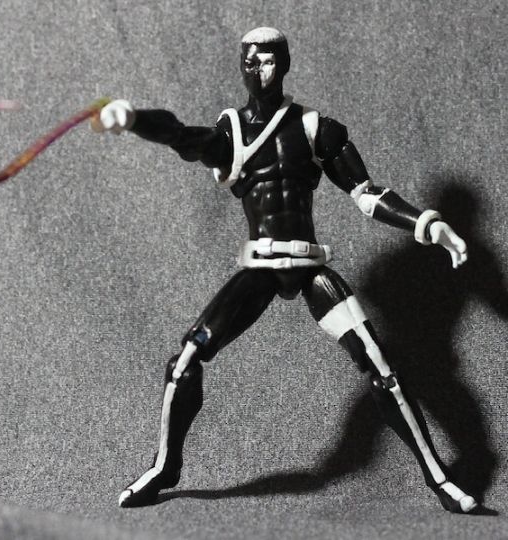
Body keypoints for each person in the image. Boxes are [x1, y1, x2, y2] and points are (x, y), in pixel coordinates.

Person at [91, 27, 476, 513]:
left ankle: (439, 478)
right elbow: (183, 136)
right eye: (251, 62)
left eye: (269, 61)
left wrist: (427, 223)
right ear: (241, 67)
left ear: (286, 64)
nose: (260, 71)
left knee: (383, 369)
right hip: (262, 268)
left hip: (310, 266)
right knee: (185, 362)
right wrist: (132, 119)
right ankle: (165, 466)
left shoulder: (316, 128)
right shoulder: (232, 132)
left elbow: (367, 194)